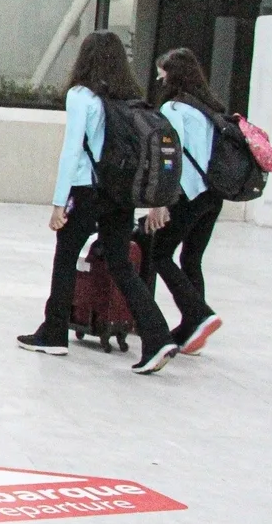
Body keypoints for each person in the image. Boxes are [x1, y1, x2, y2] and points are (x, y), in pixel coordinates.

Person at [17, 30, 177, 374]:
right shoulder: (128, 98)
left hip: (86, 189)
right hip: (119, 191)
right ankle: (156, 333)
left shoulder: (81, 96)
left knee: (66, 256)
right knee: (120, 262)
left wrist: (59, 203)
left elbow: (72, 150)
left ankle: (54, 332)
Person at [142, 47, 224, 354]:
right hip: (213, 195)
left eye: (163, 70)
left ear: (173, 74)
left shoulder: (175, 110)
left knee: (159, 253)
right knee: (191, 258)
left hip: (187, 194)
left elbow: (169, 157)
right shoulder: (208, 107)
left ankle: (200, 314)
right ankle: (194, 330)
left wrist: (159, 201)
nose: (159, 76)